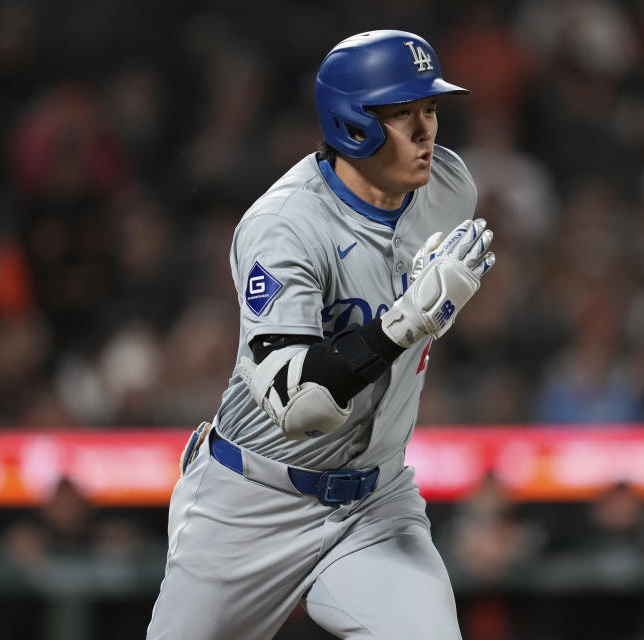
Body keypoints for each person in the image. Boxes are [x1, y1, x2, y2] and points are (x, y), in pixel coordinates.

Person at [146, 30, 495, 640]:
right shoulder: (284, 227)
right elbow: (299, 406)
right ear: (352, 123)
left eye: (432, 108)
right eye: (402, 113)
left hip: (374, 504)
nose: (426, 131)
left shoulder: (448, 189)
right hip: (252, 502)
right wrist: (406, 321)